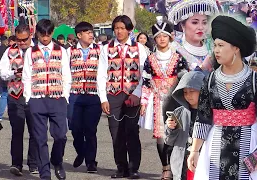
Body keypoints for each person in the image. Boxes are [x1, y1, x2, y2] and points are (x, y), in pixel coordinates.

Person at [187, 15, 257, 180]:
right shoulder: (210, 79)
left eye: (221, 45)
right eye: (215, 46)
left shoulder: (256, 80)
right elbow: (203, 117)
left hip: (249, 144)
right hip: (214, 145)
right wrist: (194, 150)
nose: (216, 50)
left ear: (236, 48)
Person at [97, 15, 147, 179]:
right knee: (116, 132)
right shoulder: (106, 48)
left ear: (129, 30)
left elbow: (144, 74)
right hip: (113, 95)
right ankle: (121, 167)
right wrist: (103, 98)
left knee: (132, 132)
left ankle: (133, 168)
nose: (118, 31)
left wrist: (138, 93)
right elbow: (101, 74)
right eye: (116, 28)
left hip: (133, 95)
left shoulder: (140, 48)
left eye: (122, 28)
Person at [22, 19, 71, 180]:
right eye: (42, 34)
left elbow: (66, 75)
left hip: (58, 98)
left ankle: (57, 161)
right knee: (39, 138)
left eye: (48, 34)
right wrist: (28, 98)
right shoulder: (30, 52)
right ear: (37, 33)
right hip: (37, 98)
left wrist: (65, 95)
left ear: (52, 33)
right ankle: (44, 173)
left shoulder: (62, 50)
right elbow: (27, 76)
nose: (45, 37)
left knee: (61, 135)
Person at [139, 21, 189, 180]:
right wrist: (144, 102)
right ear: (154, 39)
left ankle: (177, 167)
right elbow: (146, 82)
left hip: (176, 101)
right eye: (158, 36)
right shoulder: (150, 59)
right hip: (157, 101)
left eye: (164, 36)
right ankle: (165, 167)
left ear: (170, 38)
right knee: (161, 135)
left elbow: (185, 79)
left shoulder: (178, 58)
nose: (161, 39)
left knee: (177, 134)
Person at [0, 24, 38, 176]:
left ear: (30, 35)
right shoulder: (10, 51)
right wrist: (14, 73)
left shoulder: (38, 50)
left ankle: (33, 163)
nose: (21, 43)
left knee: (36, 131)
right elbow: (2, 72)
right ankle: (16, 164)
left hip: (35, 96)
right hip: (16, 96)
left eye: (24, 39)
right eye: (18, 39)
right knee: (17, 131)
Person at [67, 21, 102, 173]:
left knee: (90, 129)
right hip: (74, 95)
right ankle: (81, 151)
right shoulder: (69, 51)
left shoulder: (101, 51)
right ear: (79, 35)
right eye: (87, 32)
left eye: (91, 32)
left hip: (94, 95)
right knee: (75, 129)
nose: (91, 35)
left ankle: (91, 162)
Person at [165, 71, 205, 180]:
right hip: (181, 163)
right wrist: (169, 128)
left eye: (192, 91)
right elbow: (169, 141)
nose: (188, 95)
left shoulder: (210, 114)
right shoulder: (178, 112)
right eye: (185, 92)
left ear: (202, 90)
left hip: (202, 161)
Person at [168, 0, 219, 72]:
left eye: (204, 23)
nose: (201, 27)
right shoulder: (173, 49)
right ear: (183, 25)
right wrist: (202, 68)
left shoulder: (212, 45)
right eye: (195, 22)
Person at [0, 35, 9, 120]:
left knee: (3, 93)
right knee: (5, 94)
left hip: (0, 73)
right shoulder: (8, 50)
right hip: (7, 74)